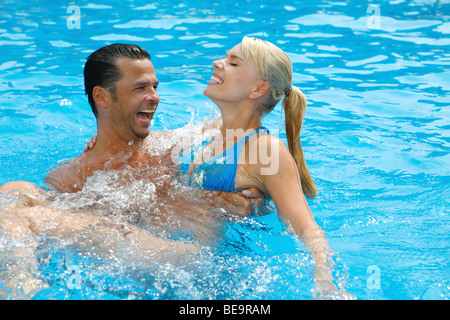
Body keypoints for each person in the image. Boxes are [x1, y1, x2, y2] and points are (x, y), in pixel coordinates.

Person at [178, 36, 345, 298]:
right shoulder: (211, 129)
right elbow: (154, 146)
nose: (217, 63)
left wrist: (326, 283)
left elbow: (306, 227)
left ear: (257, 89)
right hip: (185, 256)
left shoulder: (266, 150)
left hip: (221, 275)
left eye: (233, 63)